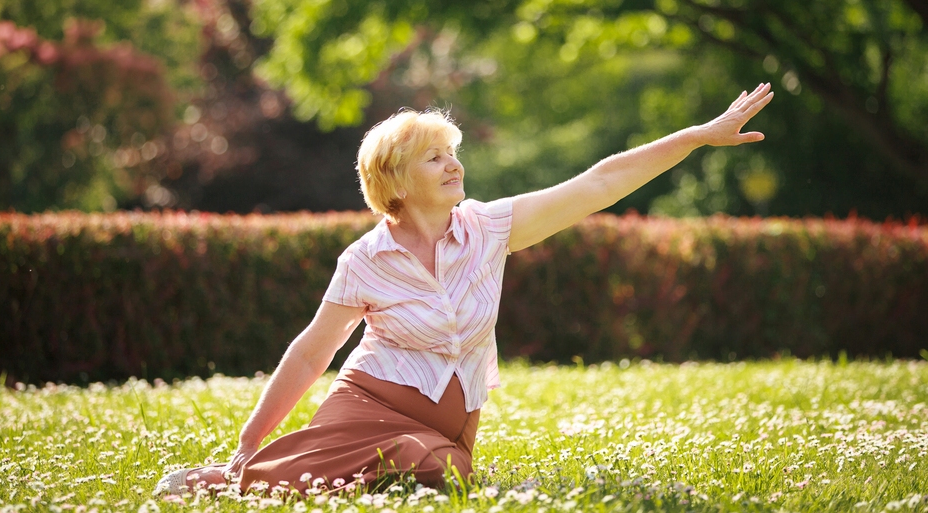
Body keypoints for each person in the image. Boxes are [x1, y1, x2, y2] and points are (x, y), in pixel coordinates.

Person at [155, 83, 774, 496]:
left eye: (451, 153)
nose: (453, 164)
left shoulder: (489, 229)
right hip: (368, 407)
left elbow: (598, 184)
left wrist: (697, 136)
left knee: (443, 469)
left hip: (450, 427)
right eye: (434, 158)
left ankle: (309, 469)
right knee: (406, 471)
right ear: (396, 181)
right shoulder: (365, 259)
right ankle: (220, 479)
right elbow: (314, 350)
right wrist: (250, 437)